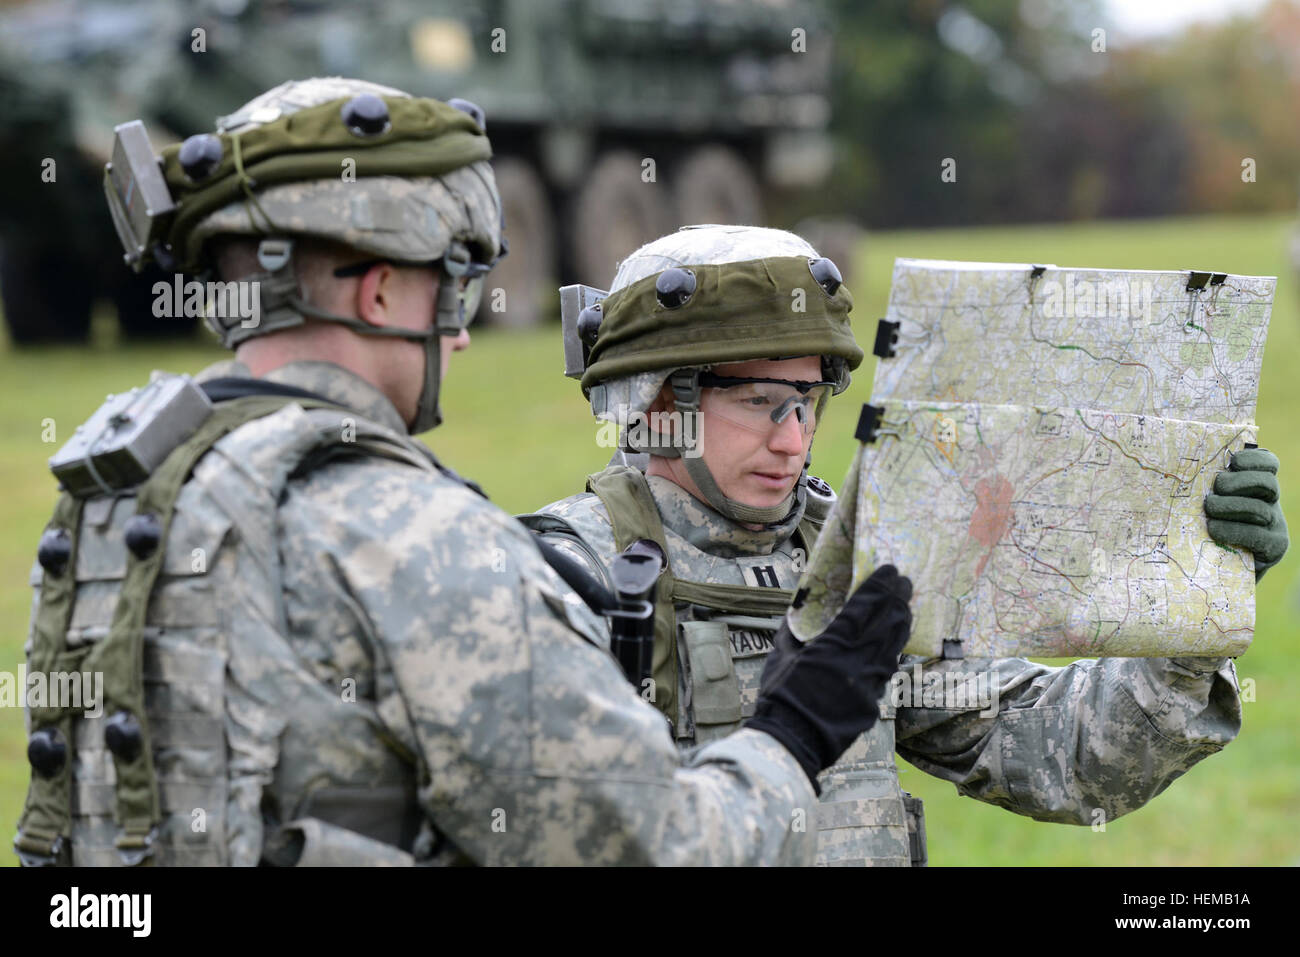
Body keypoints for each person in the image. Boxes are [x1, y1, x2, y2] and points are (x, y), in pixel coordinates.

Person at [14, 81, 911, 867]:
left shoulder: (117, 490)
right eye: (451, 288)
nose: (461, 334)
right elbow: (664, 846)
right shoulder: (418, 537)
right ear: (379, 294)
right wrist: (796, 727)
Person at [528, 223, 1289, 866]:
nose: (793, 440)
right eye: (760, 402)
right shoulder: (564, 577)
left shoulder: (853, 563)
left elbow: (1060, 755)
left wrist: (1194, 603)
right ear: (660, 400)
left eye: (808, 402)